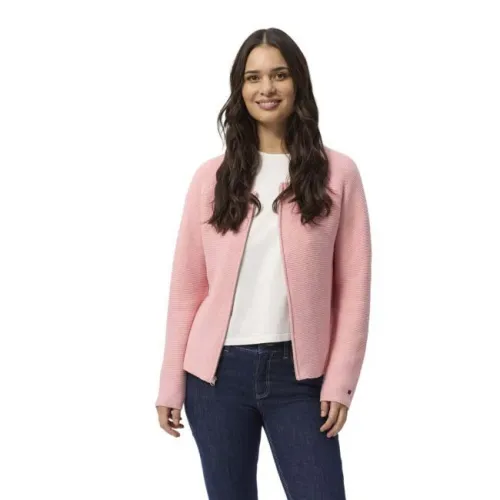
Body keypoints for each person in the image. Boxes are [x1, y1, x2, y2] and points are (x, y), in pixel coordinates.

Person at [155, 27, 372, 500]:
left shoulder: (339, 173)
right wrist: (171, 382)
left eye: (279, 75)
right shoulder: (211, 178)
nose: (266, 88)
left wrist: (341, 379)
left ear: (298, 83)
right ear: (240, 89)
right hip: (214, 377)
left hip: (301, 376)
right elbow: (186, 289)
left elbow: (353, 288)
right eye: (253, 78)